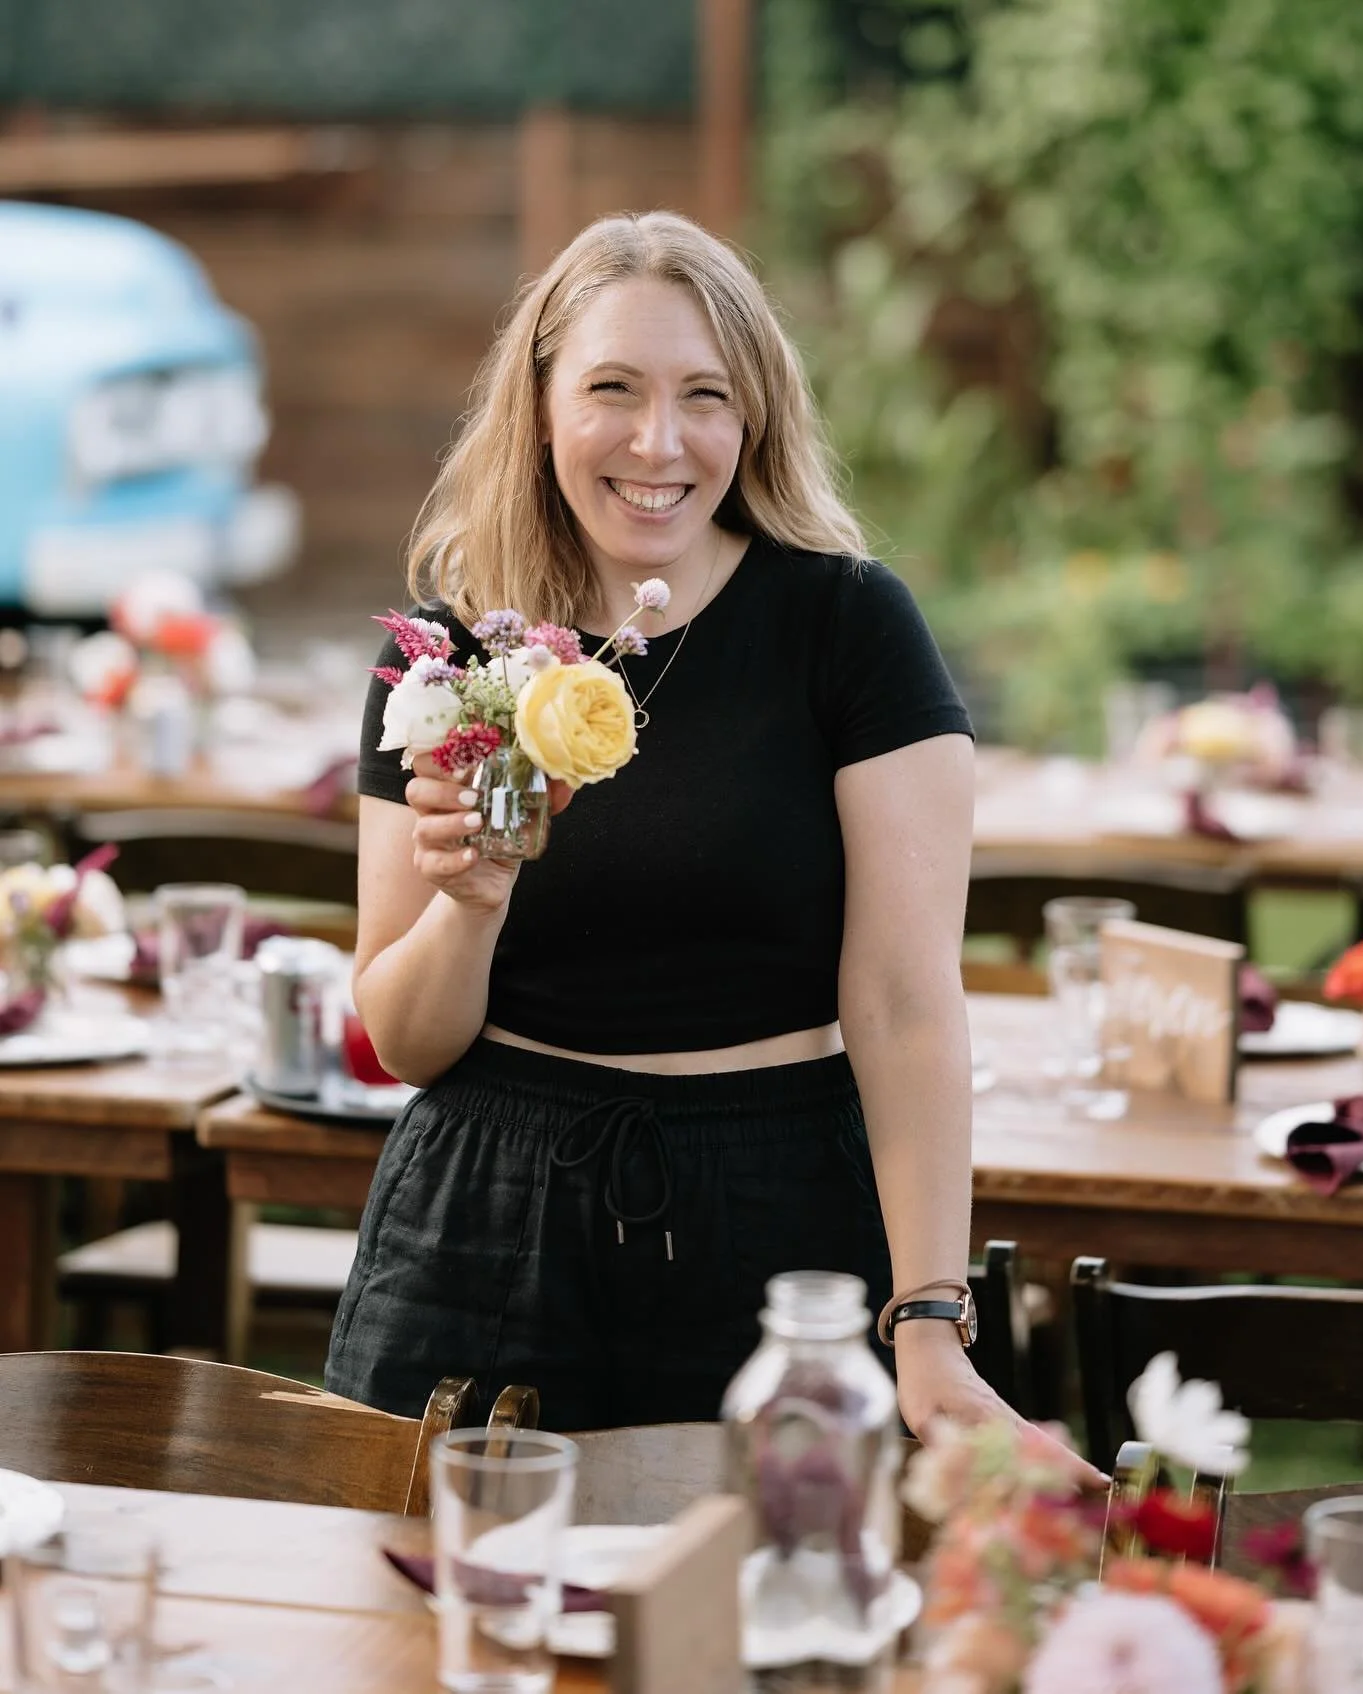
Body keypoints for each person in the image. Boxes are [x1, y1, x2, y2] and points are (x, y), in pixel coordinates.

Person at [325, 210, 1086, 1472]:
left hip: (781, 1215)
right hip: (484, 1218)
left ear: (756, 415)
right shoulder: (447, 651)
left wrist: (929, 1319)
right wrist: (470, 900)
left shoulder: (847, 627)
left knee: (778, 1590)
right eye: (612, 389)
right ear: (542, 407)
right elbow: (407, 1041)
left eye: (705, 395)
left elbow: (905, 1003)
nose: (659, 441)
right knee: (439, 1595)